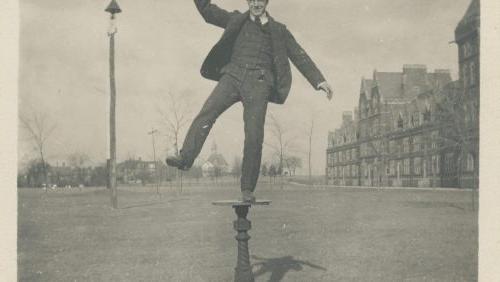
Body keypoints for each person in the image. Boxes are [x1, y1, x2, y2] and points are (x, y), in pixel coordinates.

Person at [167, 0, 333, 202]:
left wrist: (319, 80)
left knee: (254, 134)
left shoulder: (279, 30)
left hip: (259, 82)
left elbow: (299, 55)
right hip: (232, 76)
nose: (256, 4)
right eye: (252, 0)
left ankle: (247, 189)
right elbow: (208, 12)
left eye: (260, 0)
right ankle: (185, 158)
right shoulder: (236, 19)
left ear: (266, 2)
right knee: (207, 112)